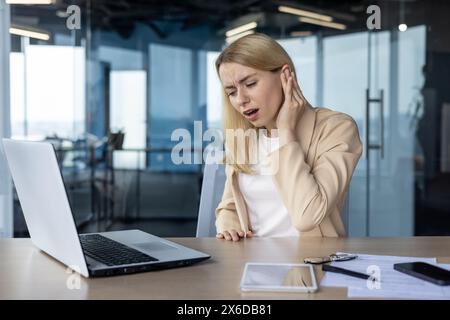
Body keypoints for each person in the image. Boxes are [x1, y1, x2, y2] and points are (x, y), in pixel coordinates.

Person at [214, 33, 362, 241]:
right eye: (231, 91)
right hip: (248, 265)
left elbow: (308, 216)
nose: (241, 100)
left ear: (285, 75)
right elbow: (230, 205)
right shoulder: (243, 136)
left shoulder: (336, 128)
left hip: (310, 266)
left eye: (250, 83)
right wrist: (229, 225)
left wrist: (286, 132)